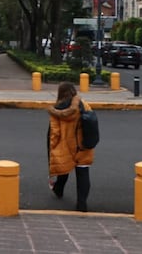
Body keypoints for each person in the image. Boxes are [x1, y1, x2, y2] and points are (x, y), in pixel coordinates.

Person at [47, 81, 94, 212]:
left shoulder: (57, 110)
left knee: (64, 167)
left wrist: (52, 148)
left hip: (66, 145)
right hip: (83, 145)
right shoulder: (84, 105)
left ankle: (58, 189)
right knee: (83, 173)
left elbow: (55, 133)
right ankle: (82, 204)